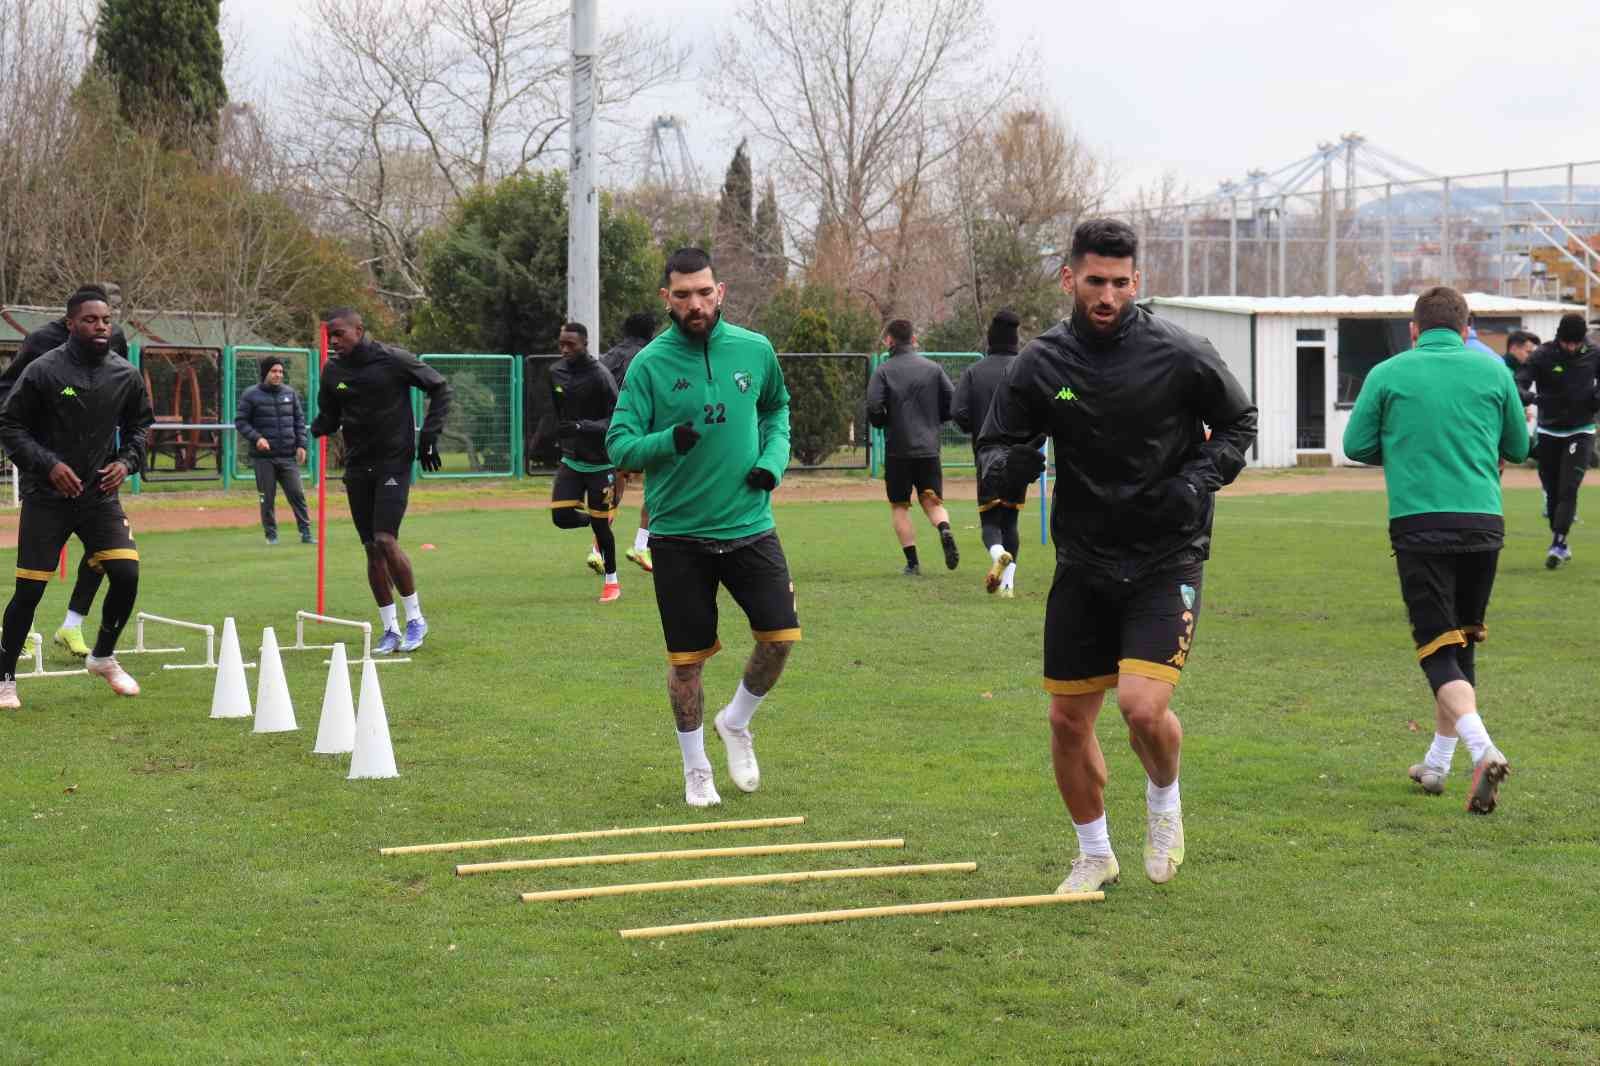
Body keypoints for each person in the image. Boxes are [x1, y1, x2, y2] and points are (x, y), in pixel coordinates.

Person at [976, 218, 1257, 893]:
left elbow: (1240, 423)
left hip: (1166, 556)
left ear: (1138, 282)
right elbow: (998, 442)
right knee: (1066, 721)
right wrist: (1005, 467)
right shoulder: (1042, 364)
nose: (1107, 295)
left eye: (1121, 282)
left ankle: (1164, 802)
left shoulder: (1182, 353)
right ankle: (1094, 853)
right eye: (1095, 281)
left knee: (1140, 707)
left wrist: (1195, 482)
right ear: (1069, 278)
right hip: (1083, 561)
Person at [607, 247, 799, 808]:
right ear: (667, 299)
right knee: (686, 663)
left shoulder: (755, 350)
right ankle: (696, 770)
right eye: (683, 294)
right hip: (679, 535)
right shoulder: (649, 365)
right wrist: (668, 441)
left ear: (722, 291)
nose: (696, 304)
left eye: (704, 292)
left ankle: (736, 721)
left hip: (749, 525)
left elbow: (776, 409)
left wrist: (774, 460)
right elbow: (618, 444)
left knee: (780, 638)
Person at [1342, 286, 1524, 814]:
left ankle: (1482, 748)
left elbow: (1356, 445)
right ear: (1468, 329)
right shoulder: (1495, 373)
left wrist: (1403, 448)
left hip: (1421, 522)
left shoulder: (1389, 373)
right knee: (1461, 642)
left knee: (1436, 648)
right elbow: (1518, 446)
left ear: (1413, 330)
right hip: (1484, 522)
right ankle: (1437, 765)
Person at [0, 290, 155, 708]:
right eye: (90, 320)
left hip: (99, 496)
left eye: (105, 319)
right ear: (70, 324)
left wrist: (126, 463)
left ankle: (103, 657)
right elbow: (10, 425)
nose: (100, 326)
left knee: (126, 573)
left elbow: (141, 427)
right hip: (46, 496)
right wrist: (48, 465)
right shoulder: (42, 370)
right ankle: (5, 677)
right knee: (29, 591)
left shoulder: (125, 374)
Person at [310, 308, 451, 654]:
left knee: (386, 539)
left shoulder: (393, 360)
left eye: (340, 333)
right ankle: (389, 629)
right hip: (358, 465)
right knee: (371, 548)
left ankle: (416, 619)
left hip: (393, 462)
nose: (335, 341)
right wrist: (308, 432)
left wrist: (429, 436)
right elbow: (329, 416)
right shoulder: (333, 372)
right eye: (331, 335)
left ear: (359, 329)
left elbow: (440, 387)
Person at [866, 319, 959, 574]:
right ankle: (944, 528)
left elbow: (874, 406)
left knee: (899, 506)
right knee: (932, 501)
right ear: (914, 340)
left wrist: (884, 422)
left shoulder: (883, 371)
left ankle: (913, 563)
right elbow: (953, 403)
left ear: (889, 341)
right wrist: (934, 420)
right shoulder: (933, 369)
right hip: (929, 448)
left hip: (898, 450)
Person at [1514, 313, 1599, 568]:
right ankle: (1559, 538)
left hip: (1581, 430)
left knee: (1568, 487)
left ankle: (1559, 542)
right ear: (1559, 338)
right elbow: (1518, 384)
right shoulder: (1542, 355)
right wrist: (1532, 398)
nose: (1571, 348)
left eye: (1576, 343)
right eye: (1566, 343)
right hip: (1549, 432)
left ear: (1582, 339)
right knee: (1552, 491)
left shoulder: (1594, 353)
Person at [953, 309, 1027, 597]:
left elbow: (957, 412)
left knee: (990, 522)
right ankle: (1007, 585)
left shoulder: (975, 371)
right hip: (1020, 456)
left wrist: (979, 428)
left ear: (990, 339)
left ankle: (997, 554)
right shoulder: (1026, 367)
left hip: (987, 456)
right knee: (1011, 520)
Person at [549, 322, 623, 603]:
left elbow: (616, 419)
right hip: (572, 460)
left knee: (602, 528)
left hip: (601, 463)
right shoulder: (555, 372)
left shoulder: (601, 376)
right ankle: (596, 519)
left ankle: (612, 582)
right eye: (561, 344)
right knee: (561, 518)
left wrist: (581, 427)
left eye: (571, 344)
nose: (565, 349)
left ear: (585, 343)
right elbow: (559, 410)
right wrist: (557, 434)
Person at [602, 311, 660, 573]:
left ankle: (597, 549)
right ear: (650, 332)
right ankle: (640, 545)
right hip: (639, 431)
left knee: (614, 491)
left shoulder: (608, 357)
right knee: (656, 486)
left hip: (608, 432)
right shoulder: (649, 356)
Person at [235, 356, 313, 545]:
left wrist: (302, 445)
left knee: (297, 495)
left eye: (280, 371)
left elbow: (299, 422)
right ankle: (271, 535)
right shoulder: (250, 394)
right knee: (267, 498)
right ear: (265, 373)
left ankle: (306, 533)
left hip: (287, 457)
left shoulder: (290, 393)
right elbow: (241, 422)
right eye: (274, 371)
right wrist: (257, 438)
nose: (278, 375)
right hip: (264, 459)